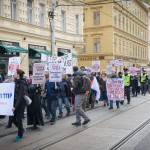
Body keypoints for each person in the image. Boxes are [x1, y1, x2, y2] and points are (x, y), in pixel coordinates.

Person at [12, 69, 26, 142]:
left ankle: (20, 135)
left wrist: (15, 106)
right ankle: (22, 129)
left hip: (20, 104)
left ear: (18, 74)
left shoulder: (22, 83)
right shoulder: (15, 82)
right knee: (12, 119)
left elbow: (20, 96)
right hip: (15, 103)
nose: (14, 74)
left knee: (19, 119)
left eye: (15, 73)